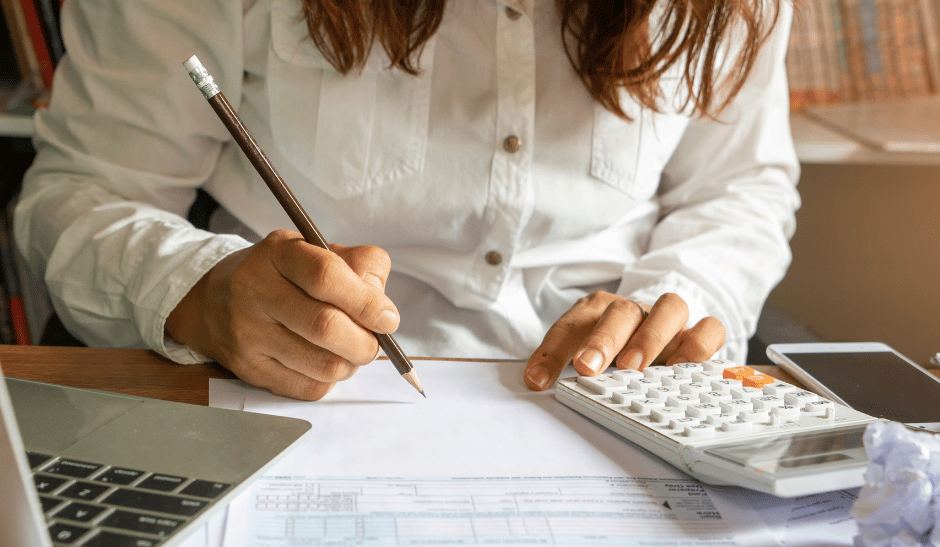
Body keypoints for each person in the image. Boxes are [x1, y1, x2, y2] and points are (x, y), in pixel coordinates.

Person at [14, 0, 799, 401]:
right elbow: (83, 191)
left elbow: (739, 187)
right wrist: (200, 292)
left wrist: (676, 303)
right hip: (286, 400)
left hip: (616, 405)